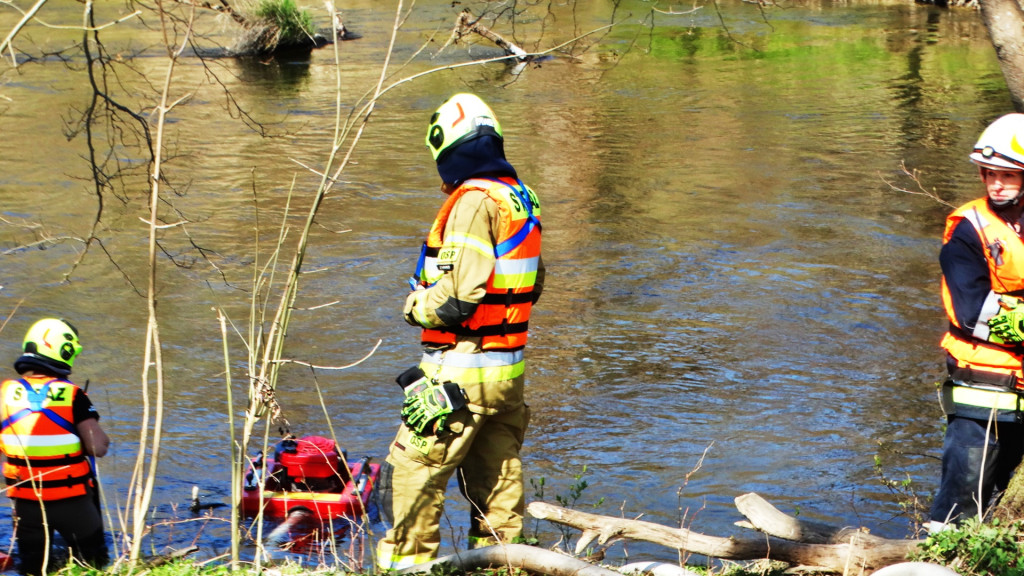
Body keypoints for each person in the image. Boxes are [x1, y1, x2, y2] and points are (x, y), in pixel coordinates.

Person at [375, 93, 544, 570]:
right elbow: (533, 285)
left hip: (458, 375)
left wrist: (415, 307)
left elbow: (457, 298)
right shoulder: (518, 197)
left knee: (411, 479)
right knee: (498, 501)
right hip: (507, 377)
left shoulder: (471, 202)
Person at [931, 113, 1024, 532]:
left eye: (1007, 175)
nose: (995, 183)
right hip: (983, 389)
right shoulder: (968, 230)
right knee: (961, 498)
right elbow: (972, 312)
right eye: (989, 174)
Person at [0, 318, 110, 575]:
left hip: (26, 504)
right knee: (94, 562)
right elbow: (98, 447)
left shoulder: (5, 394)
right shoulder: (73, 395)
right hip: (74, 502)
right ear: (65, 352)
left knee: (33, 566)